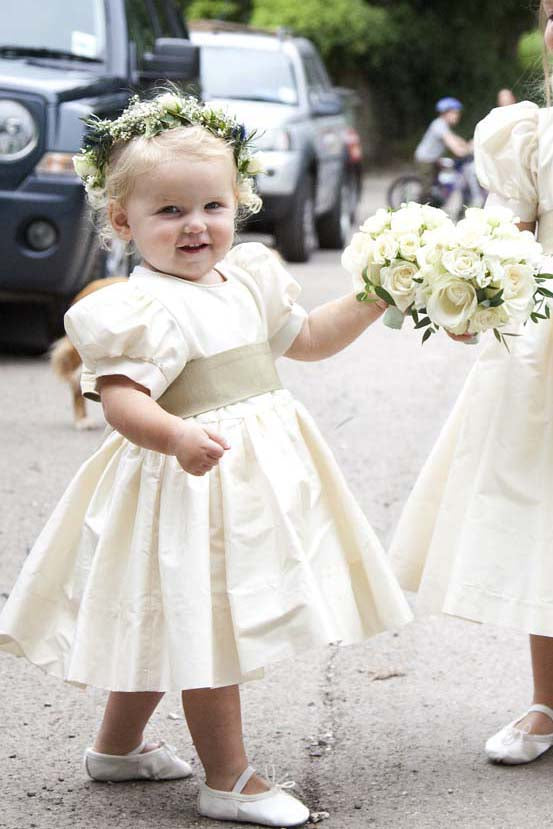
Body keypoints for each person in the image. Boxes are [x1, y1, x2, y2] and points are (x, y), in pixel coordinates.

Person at [0, 91, 412, 826]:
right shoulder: (140, 306)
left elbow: (308, 339)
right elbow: (121, 399)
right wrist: (176, 436)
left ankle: (117, 747)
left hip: (255, 483)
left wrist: (373, 296)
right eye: (169, 212)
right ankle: (228, 776)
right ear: (123, 222)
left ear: (237, 203)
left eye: (212, 206)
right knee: (206, 621)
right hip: (188, 480)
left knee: (175, 617)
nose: (196, 225)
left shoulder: (249, 277)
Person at [390, 0, 553, 767]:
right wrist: (470, 291)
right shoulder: (527, 137)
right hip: (544, 351)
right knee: (540, 519)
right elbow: (503, 236)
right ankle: (545, 702)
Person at [414, 97, 480, 206]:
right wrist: (464, 151)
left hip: (435, 158)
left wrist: (469, 145)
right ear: (445, 113)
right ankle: (420, 208)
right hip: (425, 159)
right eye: (454, 113)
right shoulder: (439, 125)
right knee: (427, 188)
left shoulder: (444, 125)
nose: (457, 116)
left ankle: (438, 198)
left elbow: (456, 139)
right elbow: (452, 144)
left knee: (444, 179)